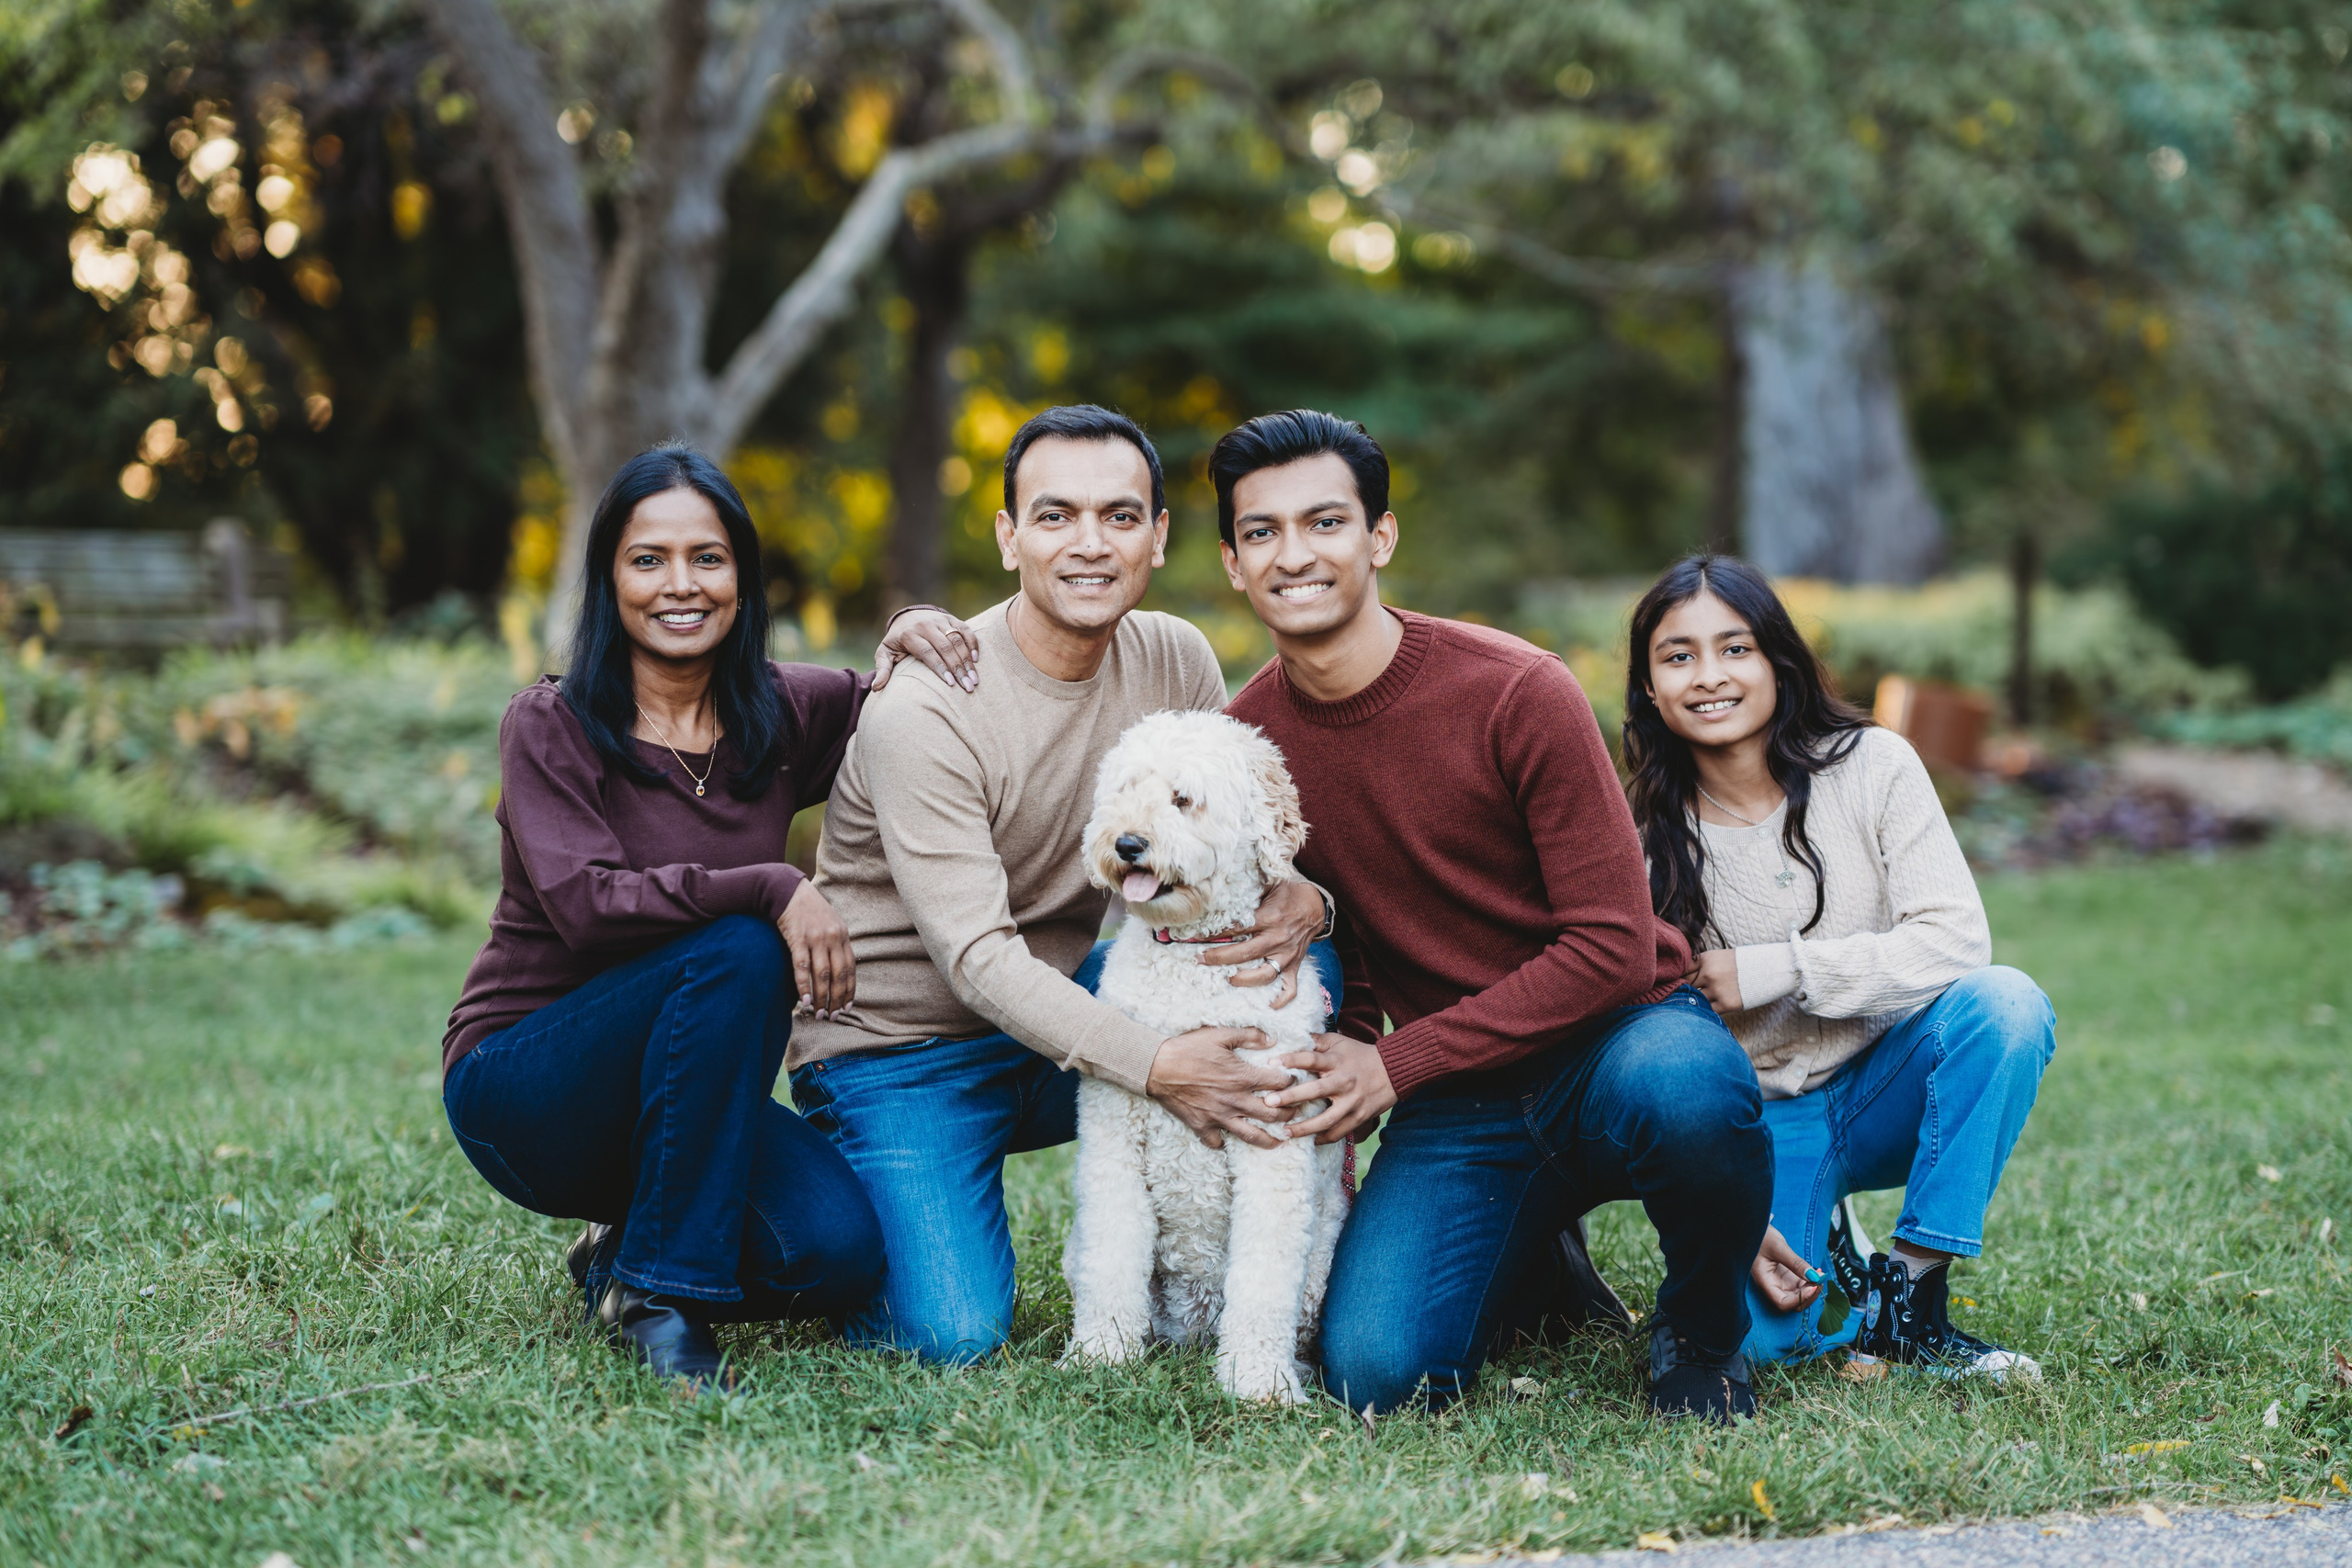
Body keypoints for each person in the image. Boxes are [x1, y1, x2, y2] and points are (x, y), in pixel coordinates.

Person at [1216, 411, 1773, 1422]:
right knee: (1376, 1373)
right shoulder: (1244, 743)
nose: (1294, 555)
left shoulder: (1516, 689)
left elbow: (1611, 948)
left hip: (1619, 1041)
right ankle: (1538, 1257)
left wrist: (1394, 1064)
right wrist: (1344, 1083)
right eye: (1262, 532)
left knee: (1692, 1093)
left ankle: (1700, 1333)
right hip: (1462, 1098)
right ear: (1232, 563)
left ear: (1380, 537)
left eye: (1325, 523)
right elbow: (1335, 945)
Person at [786, 405, 1338, 1365]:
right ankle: (712, 1223)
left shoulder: (1174, 656)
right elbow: (975, 959)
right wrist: (1158, 1063)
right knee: (949, 1331)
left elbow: (1225, 828)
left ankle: (1291, 1245)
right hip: (897, 1050)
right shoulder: (927, 708)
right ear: (1010, 538)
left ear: (1157, 537)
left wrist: (1306, 896)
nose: (1089, 543)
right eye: (1055, 516)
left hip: (1052, 1015)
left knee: (1292, 962)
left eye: (1119, 516)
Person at [440, 443, 984, 1391]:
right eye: (648, 559)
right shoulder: (552, 723)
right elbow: (588, 909)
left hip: (686, 1096)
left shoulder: (781, 710)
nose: (680, 584)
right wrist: (769, 886)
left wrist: (910, 627)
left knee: (836, 1250)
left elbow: (906, 708)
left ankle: (620, 1255)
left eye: (708, 558)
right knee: (739, 947)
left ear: (742, 577)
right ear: (609, 579)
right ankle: (661, 1297)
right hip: (528, 1082)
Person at [1622, 554, 2054, 1378]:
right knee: (1762, 1342)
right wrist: (1733, 1211)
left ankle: (1909, 1299)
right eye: (1678, 656)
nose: (1709, 676)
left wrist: (1775, 969)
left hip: (1885, 1081)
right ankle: (1824, 1232)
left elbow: (1958, 940)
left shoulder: (1874, 766)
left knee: (2006, 1005)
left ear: (1778, 660)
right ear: (1649, 685)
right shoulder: (1641, 841)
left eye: (1735, 648)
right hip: (1762, 1120)